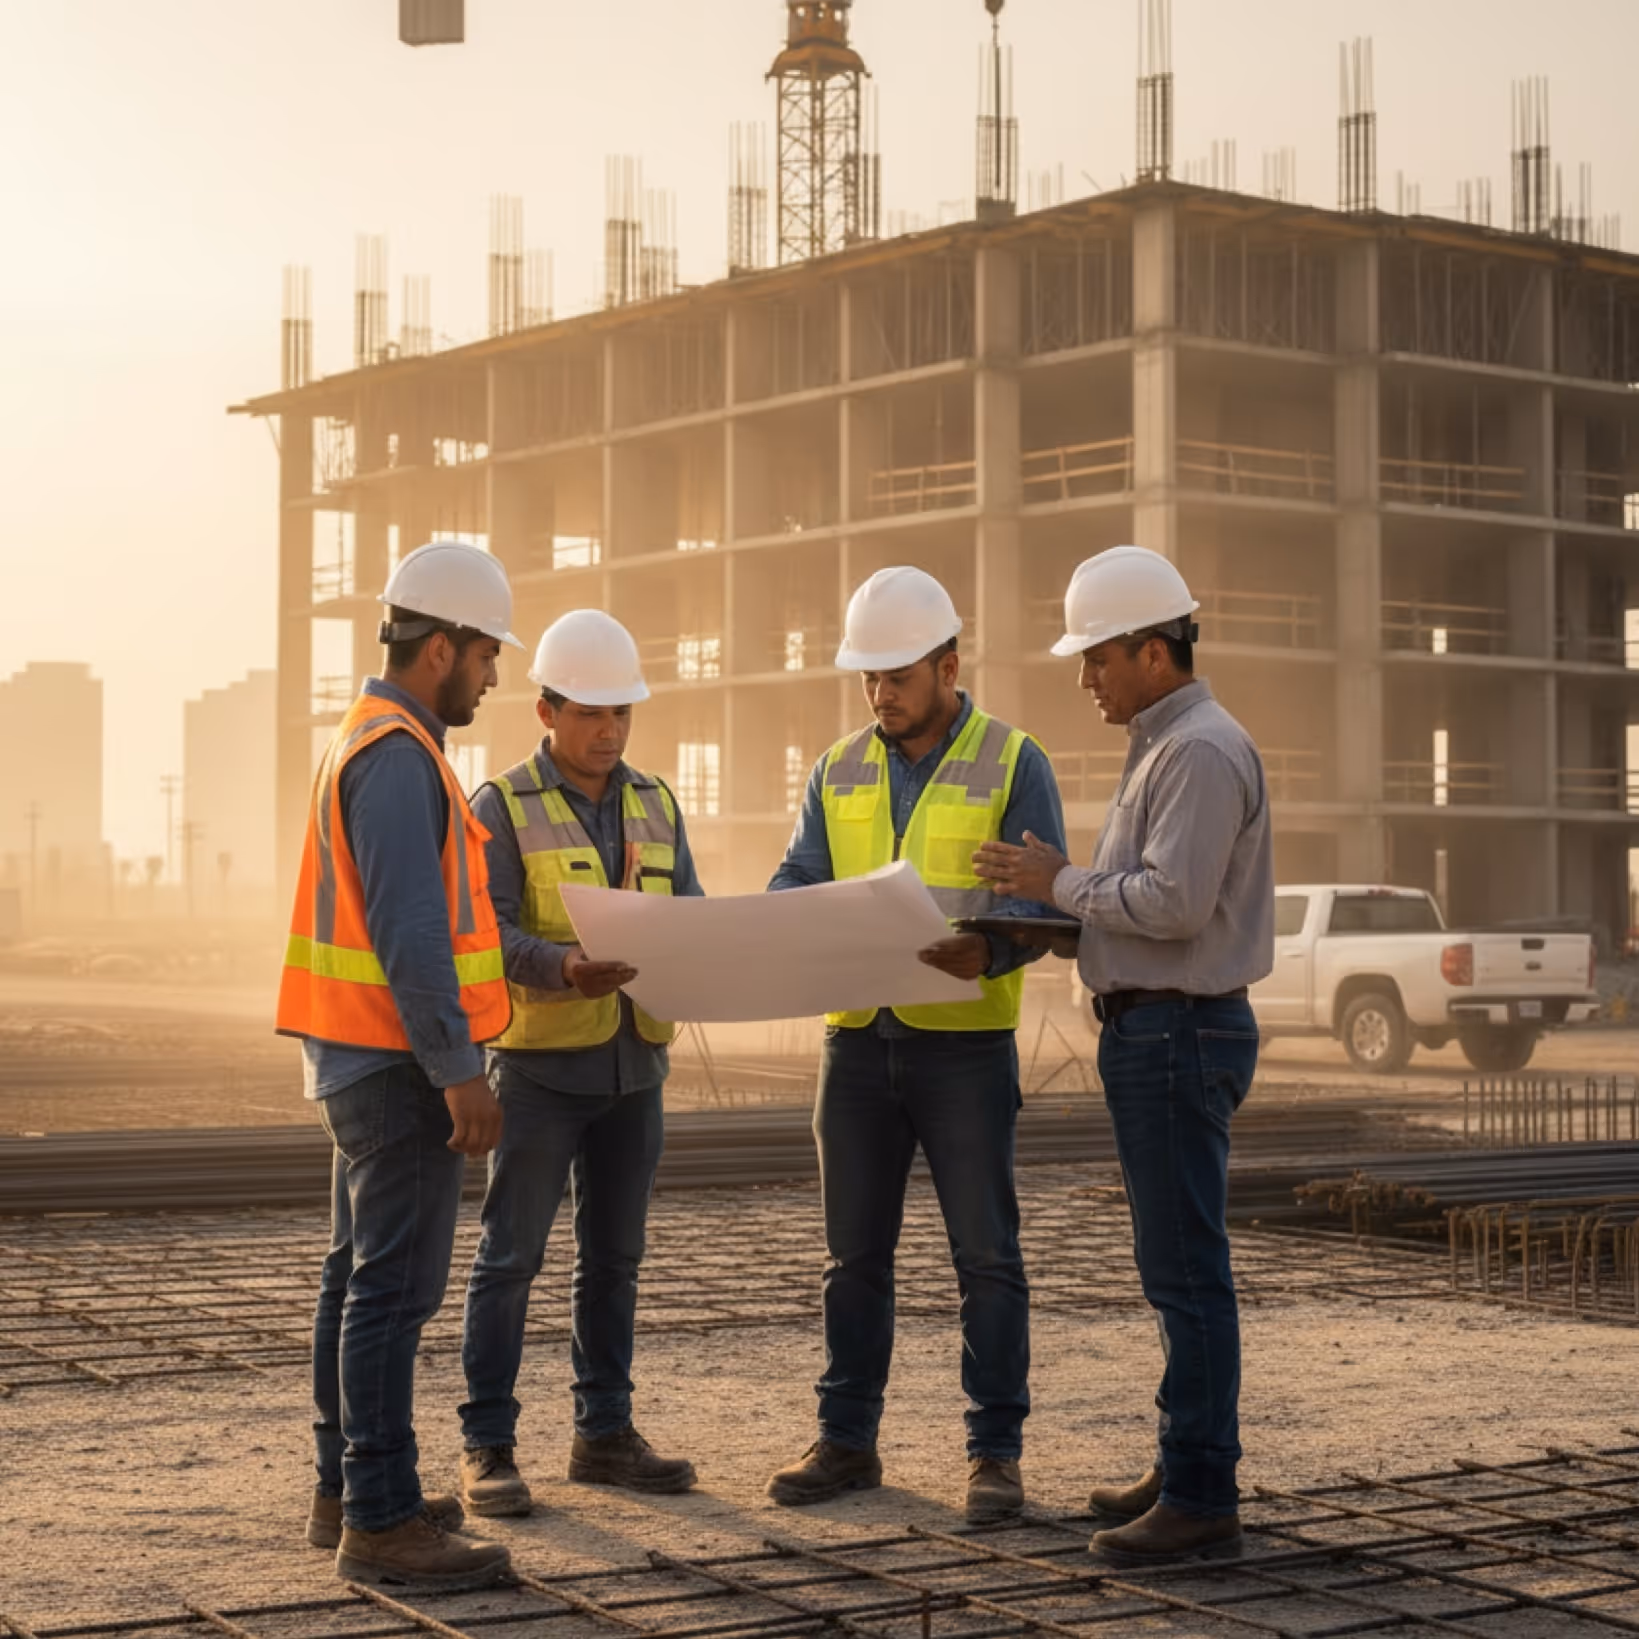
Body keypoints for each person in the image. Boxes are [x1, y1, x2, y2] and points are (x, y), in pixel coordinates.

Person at [973, 545, 1275, 1568]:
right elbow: (1141, 913)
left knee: (1185, 1271)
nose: (1084, 678)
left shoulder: (1193, 752)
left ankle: (1199, 1493)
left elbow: (1172, 906)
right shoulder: (1167, 745)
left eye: (1097, 657)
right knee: (1173, 1266)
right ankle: (1186, 1459)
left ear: (1155, 649)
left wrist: (1059, 882)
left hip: (1176, 1031)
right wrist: (1035, 917)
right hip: (1161, 1025)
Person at [764, 565, 1068, 1524]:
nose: (880, 693)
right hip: (856, 1043)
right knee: (851, 1258)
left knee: (985, 1256)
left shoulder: (1014, 759)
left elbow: (1044, 901)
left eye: (897, 674)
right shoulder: (837, 764)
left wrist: (991, 945)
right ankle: (846, 1441)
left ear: (946, 664)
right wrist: (766, 921)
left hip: (962, 1048)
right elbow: (801, 876)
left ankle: (994, 1455)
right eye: (868, 677)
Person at [279, 539, 522, 1592]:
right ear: (440, 649)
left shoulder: (371, 741)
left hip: (365, 1055)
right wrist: (458, 1069)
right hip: (396, 1066)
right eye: (485, 655)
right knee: (393, 1290)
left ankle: (353, 1487)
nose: (494, 676)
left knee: (356, 1280)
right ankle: (378, 1519)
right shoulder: (397, 756)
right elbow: (413, 931)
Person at [456, 610, 700, 1517]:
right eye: (590, 712)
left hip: (634, 1067)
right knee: (509, 1257)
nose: (608, 730)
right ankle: (487, 1444)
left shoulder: (656, 801)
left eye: (621, 713)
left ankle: (604, 1434)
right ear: (545, 709)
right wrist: (559, 965)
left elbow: (689, 913)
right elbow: (487, 931)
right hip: (539, 1069)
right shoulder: (501, 805)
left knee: (615, 1258)